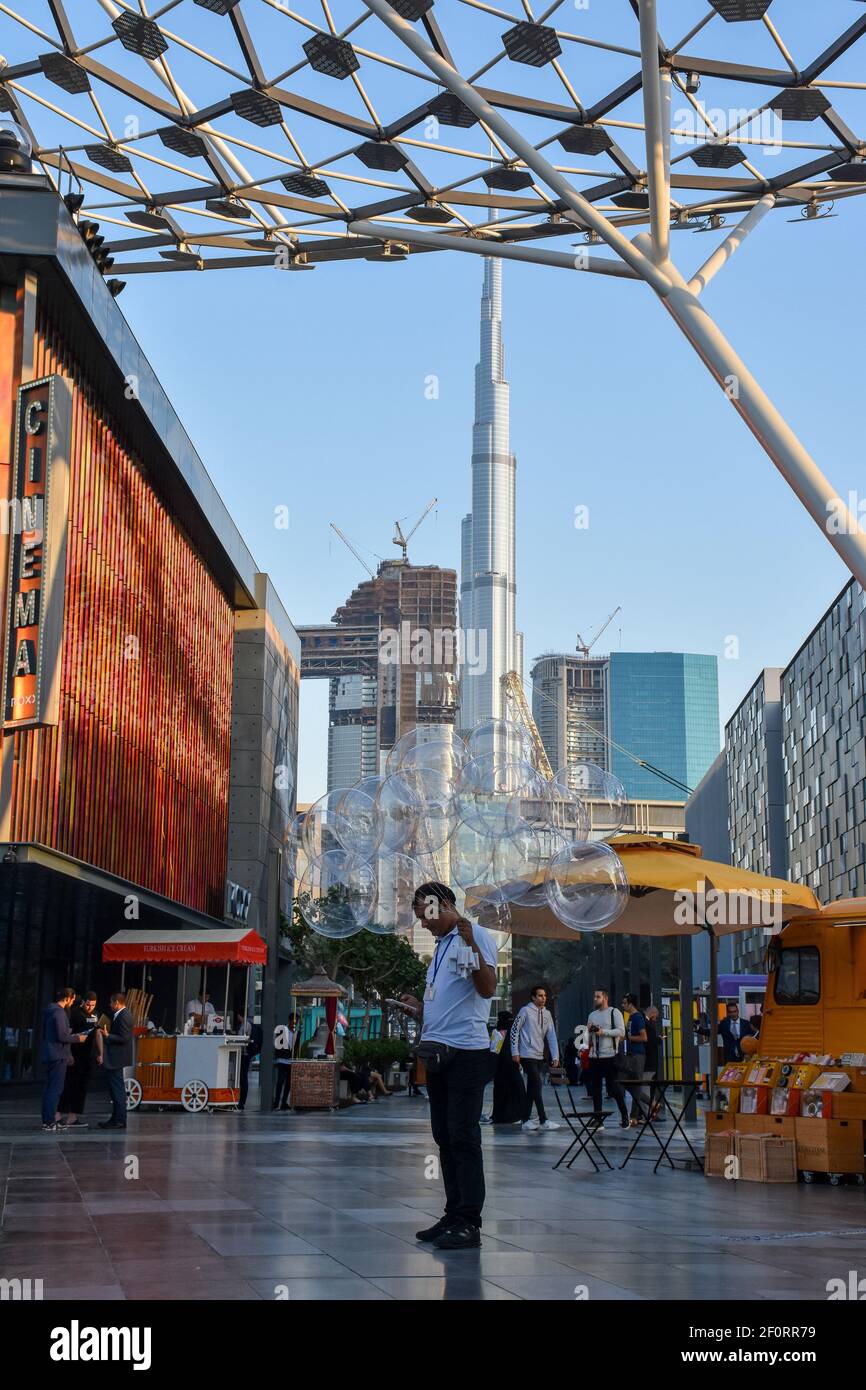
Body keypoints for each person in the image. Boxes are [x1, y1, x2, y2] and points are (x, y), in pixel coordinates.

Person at [400, 881, 497, 1251]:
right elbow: (450, 1000)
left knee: (463, 1136)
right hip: (438, 1052)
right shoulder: (441, 946)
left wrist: (471, 944)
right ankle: (454, 1213)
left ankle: (469, 1221)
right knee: (444, 1136)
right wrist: (420, 1009)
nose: (424, 924)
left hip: (466, 1053)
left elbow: (487, 989)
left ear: (440, 904)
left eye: (425, 916)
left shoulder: (475, 936)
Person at [510, 985, 561, 1132]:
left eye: (544, 995)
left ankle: (525, 1119)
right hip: (526, 1055)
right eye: (540, 995)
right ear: (533, 997)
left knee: (533, 1088)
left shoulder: (547, 1014)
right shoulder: (525, 1011)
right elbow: (514, 1030)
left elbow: (551, 1036)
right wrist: (515, 1051)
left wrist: (555, 1055)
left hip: (539, 1056)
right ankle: (543, 1119)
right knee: (537, 1084)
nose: (543, 998)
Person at [40, 987, 87, 1132]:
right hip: (58, 1055)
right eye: (72, 1000)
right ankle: (49, 1122)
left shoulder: (50, 1010)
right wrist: (78, 1038)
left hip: (50, 1053)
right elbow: (62, 1036)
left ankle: (47, 1121)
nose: (72, 1003)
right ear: (67, 999)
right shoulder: (59, 1012)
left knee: (49, 1089)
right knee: (55, 1090)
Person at [586, 987, 629, 1130]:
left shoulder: (614, 1012)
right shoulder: (592, 1015)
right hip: (594, 1056)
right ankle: (598, 1119)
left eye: (598, 996)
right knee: (596, 1089)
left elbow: (621, 1032)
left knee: (614, 1088)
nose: (595, 999)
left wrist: (602, 1031)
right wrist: (589, 1031)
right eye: (594, 996)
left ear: (605, 998)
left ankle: (624, 1115)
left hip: (609, 1056)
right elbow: (588, 1037)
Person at [59, 992, 103, 1128]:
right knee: (69, 1085)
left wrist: (101, 1053)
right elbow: (67, 1034)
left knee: (82, 1087)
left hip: (88, 1056)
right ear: (83, 1002)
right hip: (75, 1055)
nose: (90, 1008)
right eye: (88, 1005)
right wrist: (68, 1053)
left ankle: (72, 1117)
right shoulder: (74, 1013)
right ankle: (57, 1114)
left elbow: (98, 1034)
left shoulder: (95, 1014)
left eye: (93, 1005)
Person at [99, 992, 134, 1129]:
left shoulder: (124, 1015)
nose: (110, 1005)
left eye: (111, 1002)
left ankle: (119, 1119)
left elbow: (124, 1038)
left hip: (117, 1058)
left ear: (117, 1003)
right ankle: (115, 1118)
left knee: (117, 1089)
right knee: (114, 1089)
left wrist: (108, 1036)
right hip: (115, 1057)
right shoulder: (120, 1014)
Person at [488, 1010, 525, 1125]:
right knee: (516, 1090)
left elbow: (493, 1050)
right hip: (511, 1066)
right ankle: (516, 1114)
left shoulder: (497, 1032)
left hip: (500, 1068)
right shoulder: (513, 1032)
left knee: (501, 1091)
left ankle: (501, 1115)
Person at [622, 993, 650, 1125]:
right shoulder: (631, 1017)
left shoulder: (637, 1017)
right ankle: (651, 1103)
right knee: (629, 1083)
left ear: (630, 1004)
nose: (623, 1005)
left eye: (624, 1003)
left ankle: (634, 1116)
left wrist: (628, 1038)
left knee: (635, 1085)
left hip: (637, 1054)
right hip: (632, 1054)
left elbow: (644, 1037)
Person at [238, 1017, 262, 1111]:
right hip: (247, 1054)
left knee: (242, 1077)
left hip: (244, 1054)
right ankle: (241, 1101)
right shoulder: (248, 1024)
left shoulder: (245, 1025)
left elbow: (240, 1039)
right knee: (243, 1077)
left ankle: (241, 1102)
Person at [273, 1013, 296, 1110]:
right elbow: (277, 1044)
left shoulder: (295, 1032)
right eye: (293, 1022)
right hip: (282, 1060)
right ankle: (276, 1102)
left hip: (290, 1061)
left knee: (288, 1083)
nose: (294, 1024)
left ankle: (283, 1102)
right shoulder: (282, 1030)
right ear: (289, 1021)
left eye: (296, 1023)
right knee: (280, 1081)